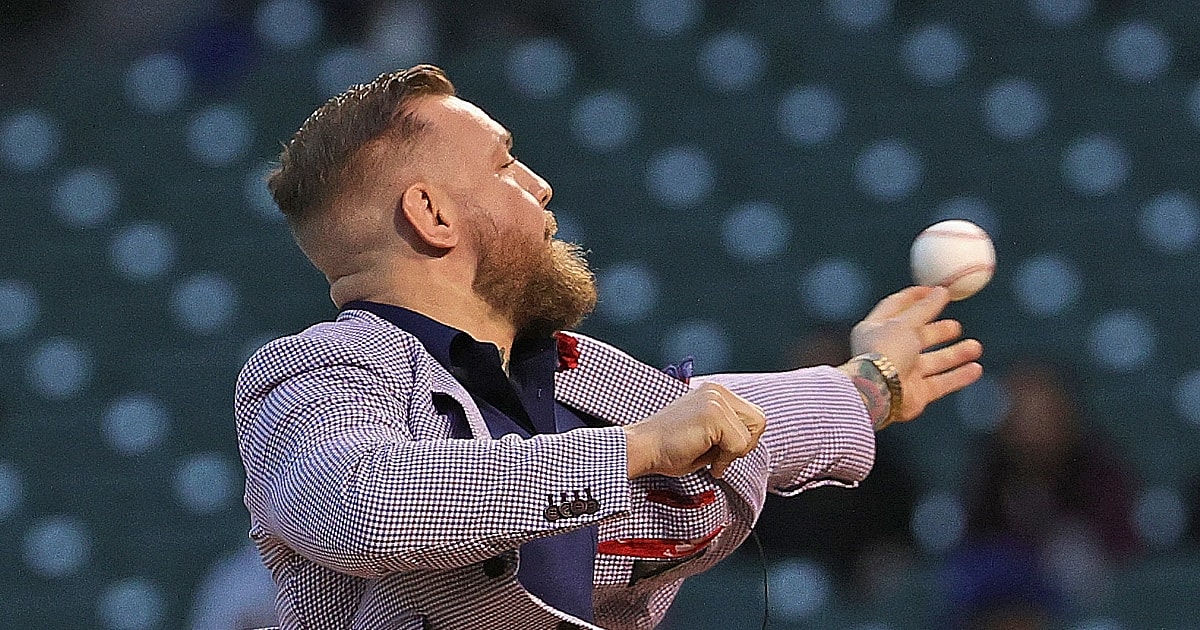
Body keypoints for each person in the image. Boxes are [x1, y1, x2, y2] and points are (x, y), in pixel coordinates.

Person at [234, 64, 984, 630]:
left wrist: (872, 380)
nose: (540, 185)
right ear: (432, 214)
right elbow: (363, 504)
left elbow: (732, 417)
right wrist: (636, 449)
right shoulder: (316, 371)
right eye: (504, 165)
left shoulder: (575, 375)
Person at [942, 358, 1142, 629]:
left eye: (1040, 414)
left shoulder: (1100, 471)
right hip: (998, 601)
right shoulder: (987, 471)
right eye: (1020, 413)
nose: (1030, 429)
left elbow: (1119, 554)